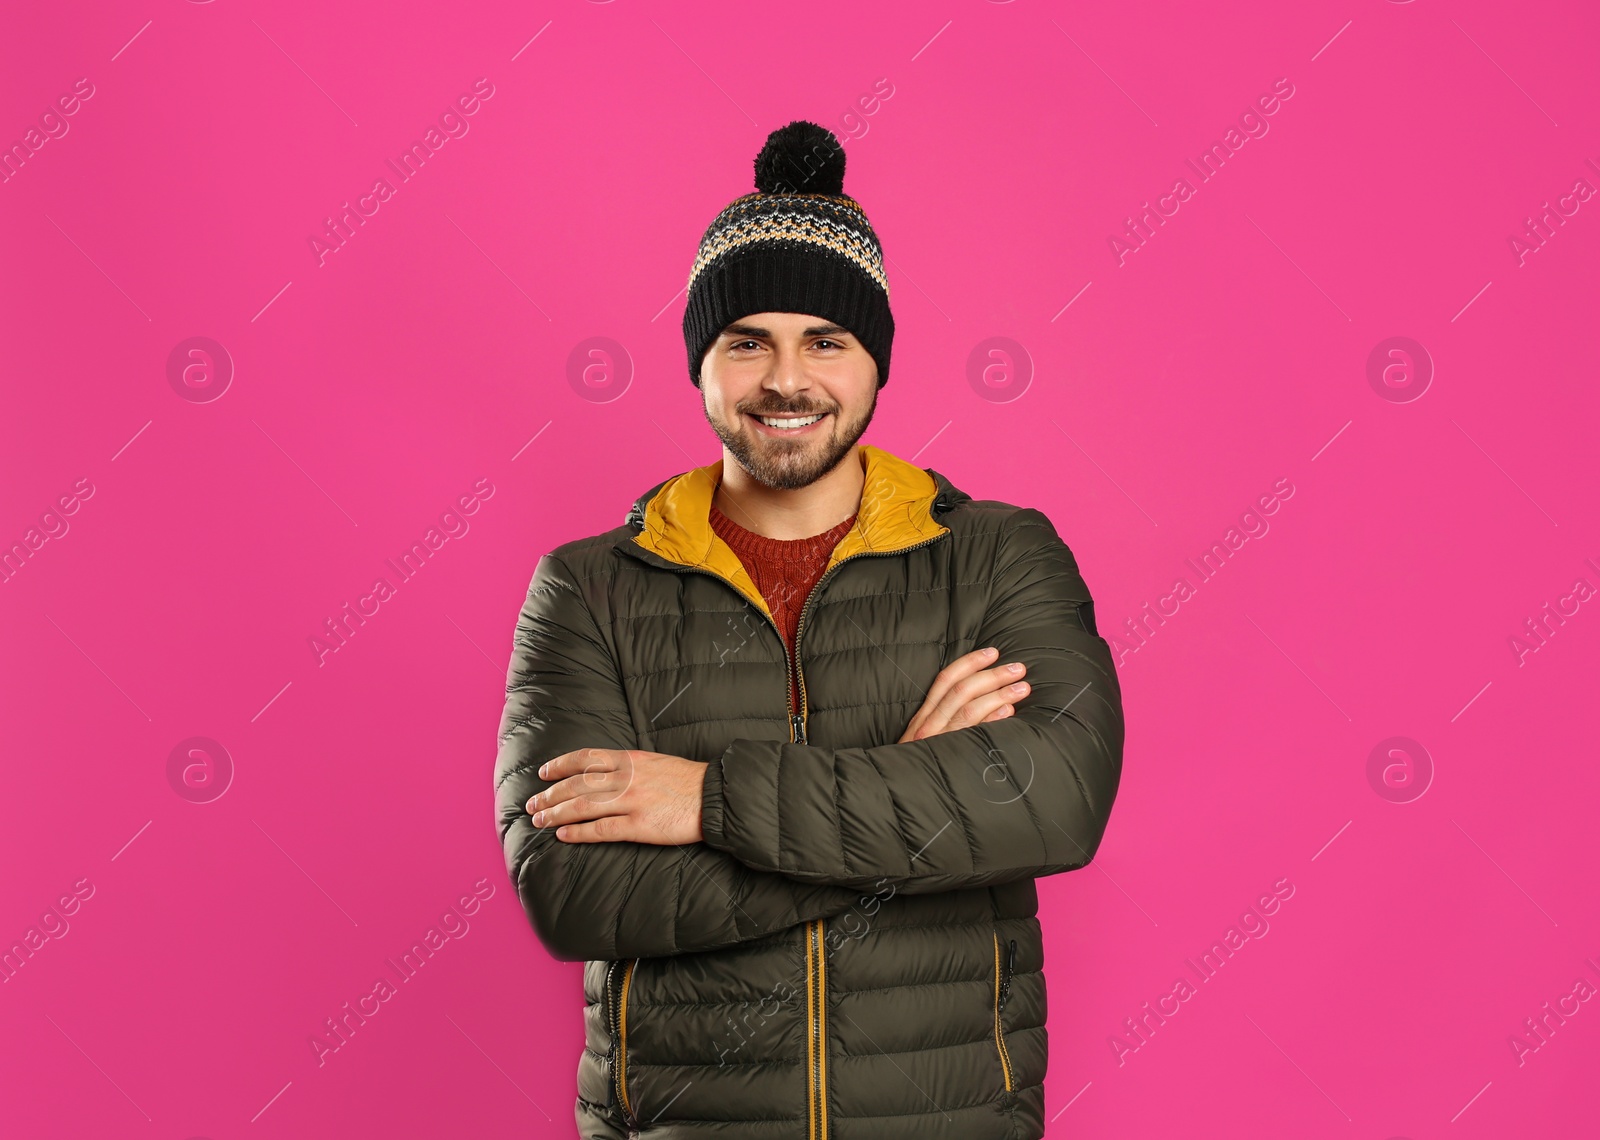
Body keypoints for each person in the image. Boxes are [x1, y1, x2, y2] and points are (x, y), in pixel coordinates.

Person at [494, 120, 1125, 1140]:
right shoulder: (587, 587)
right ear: (701, 358)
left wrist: (707, 799)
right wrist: (911, 793)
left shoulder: (1000, 556)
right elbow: (574, 891)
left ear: (874, 359)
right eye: (747, 341)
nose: (786, 380)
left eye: (824, 341)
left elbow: (1054, 802)